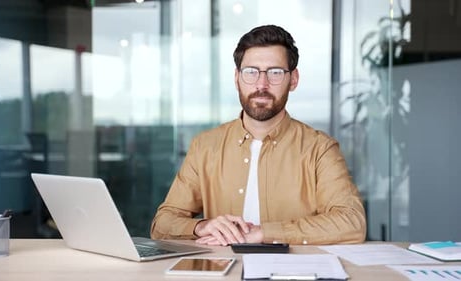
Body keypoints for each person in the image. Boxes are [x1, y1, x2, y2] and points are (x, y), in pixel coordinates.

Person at [150, 25, 366, 246]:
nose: (261, 85)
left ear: (293, 80)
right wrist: (200, 226)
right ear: (237, 78)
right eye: (251, 72)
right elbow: (162, 224)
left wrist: (266, 233)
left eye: (275, 73)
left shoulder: (320, 149)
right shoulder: (205, 146)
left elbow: (351, 222)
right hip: (222, 272)